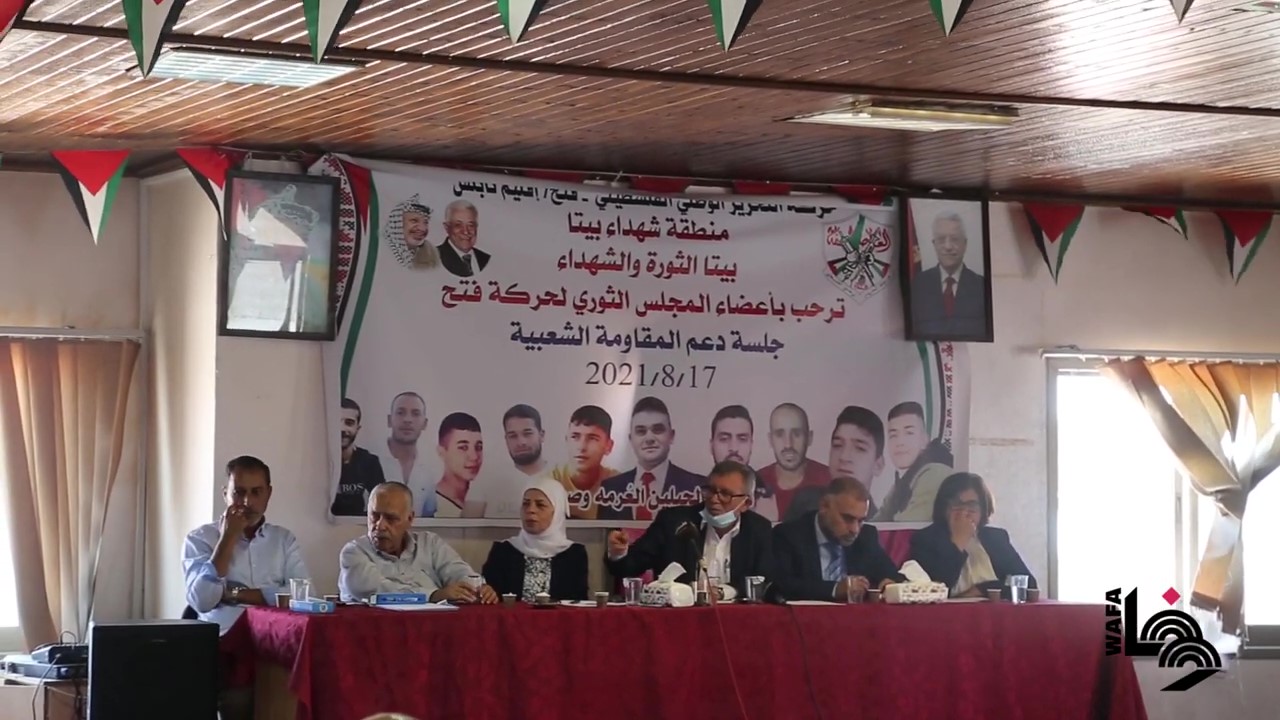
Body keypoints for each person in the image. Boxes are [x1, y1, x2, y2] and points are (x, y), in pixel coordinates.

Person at [182, 456, 308, 720]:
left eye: (256, 492)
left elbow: (304, 594)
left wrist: (233, 593)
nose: (247, 502)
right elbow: (202, 600)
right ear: (225, 494)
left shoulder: (283, 540)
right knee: (241, 701)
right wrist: (228, 538)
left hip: (277, 646)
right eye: (238, 492)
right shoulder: (200, 539)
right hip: (225, 649)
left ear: (268, 494)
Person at [605, 460, 773, 598]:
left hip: (736, 619)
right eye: (710, 490)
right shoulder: (673, 521)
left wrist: (724, 592)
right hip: (679, 617)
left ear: (746, 503)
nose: (714, 499)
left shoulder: (759, 530)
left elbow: (764, 579)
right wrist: (618, 553)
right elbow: (628, 567)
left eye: (725, 494)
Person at [338, 482, 498, 603]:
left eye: (391, 518)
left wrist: (477, 589)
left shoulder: (430, 544)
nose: (380, 526)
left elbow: (458, 571)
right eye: (374, 516)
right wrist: (433, 595)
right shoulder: (354, 552)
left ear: (410, 519)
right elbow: (377, 591)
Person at [771, 477, 903, 602]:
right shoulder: (789, 535)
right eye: (848, 518)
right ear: (824, 506)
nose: (855, 529)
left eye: (861, 521)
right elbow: (782, 586)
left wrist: (890, 584)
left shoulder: (866, 536)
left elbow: (892, 575)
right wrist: (834, 589)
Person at [907, 472, 1035, 598]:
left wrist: (983, 589)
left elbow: (1028, 585)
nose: (964, 512)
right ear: (944, 507)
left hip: (995, 609)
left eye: (972, 505)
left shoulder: (996, 538)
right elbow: (933, 588)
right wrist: (959, 541)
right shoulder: (925, 539)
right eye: (956, 504)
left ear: (983, 509)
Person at [597, 396, 704, 521]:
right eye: (641, 431)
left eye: (657, 430)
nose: (649, 438)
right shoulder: (610, 489)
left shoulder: (697, 487)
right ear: (631, 439)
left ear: (671, 436)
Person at [481, 478, 588, 602]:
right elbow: (490, 595)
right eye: (526, 504)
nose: (530, 510)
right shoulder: (503, 551)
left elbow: (578, 601)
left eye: (540, 505)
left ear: (557, 512)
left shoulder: (574, 554)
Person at [910, 211, 986, 338]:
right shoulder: (917, 285)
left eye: (955, 239)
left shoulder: (982, 287)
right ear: (934, 244)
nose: (948, 246)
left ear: (965, 244)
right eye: (941, 239)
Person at [875, 402, 953, 522]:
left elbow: (910, 524)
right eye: (893, 435)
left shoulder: (935, 472)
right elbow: (878, 521)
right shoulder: (903, 480)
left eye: (909, 433)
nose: (900, 442)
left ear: (924, 440)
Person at [755, 403, 832, 523]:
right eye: (779, 434)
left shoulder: (830, 480)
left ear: (809, 438)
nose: (788, 444)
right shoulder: (756, 483)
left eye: (797, 434)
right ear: (770, 440)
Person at [548, 405, 620, 519]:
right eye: (575, 437)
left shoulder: (620, 484)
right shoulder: (547, 482)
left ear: (608, 446)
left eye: (592, 438)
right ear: (566, 441)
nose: (581, 447)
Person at [375, 392, 437, 517]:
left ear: (424, 423)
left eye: (415, 414)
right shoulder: (370, 460)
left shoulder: (429, 471)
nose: (407, 420)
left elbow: (429, 518)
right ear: (389, 420)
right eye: (400, 412)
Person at [331, 398, 387, 516]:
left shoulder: (370, 462)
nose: (342, 429)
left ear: (358, 428)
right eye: (335, 422)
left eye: (349, 423)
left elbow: (383, 504)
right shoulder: (313, 462)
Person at [433, 412, 487, 518]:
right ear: (442, 452)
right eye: (463, 447)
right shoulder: (430, 504)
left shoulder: (483, 503)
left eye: (478, 447)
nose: (474, 457)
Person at [436, 200, 490, 277]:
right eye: (458, 225)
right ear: (447, 228)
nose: (465, 231)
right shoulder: (433, 257)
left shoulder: (486, 259)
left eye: (470, 225)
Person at [386, 194, 438, 269]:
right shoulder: (384, 251)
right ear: (398, 223)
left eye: (425, 222)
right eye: (414, 221)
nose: (422, 228)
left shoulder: (429, 253)